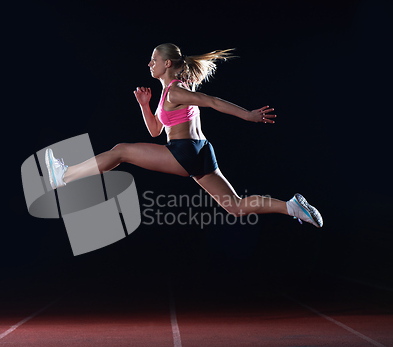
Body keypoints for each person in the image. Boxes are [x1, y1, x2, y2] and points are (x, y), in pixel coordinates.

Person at [45, 43, 323, 228]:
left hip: (184, 151)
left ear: (167, 63)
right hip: (200, 151)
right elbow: (155, 131)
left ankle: (65, 175)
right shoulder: (170, 92)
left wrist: (248, 115)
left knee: (120, 150)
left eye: (154, 60)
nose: (149, 63)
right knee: (235, 207)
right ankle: (291, 207)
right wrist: (144, 105)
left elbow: (211, 100)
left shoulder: (176, 90)